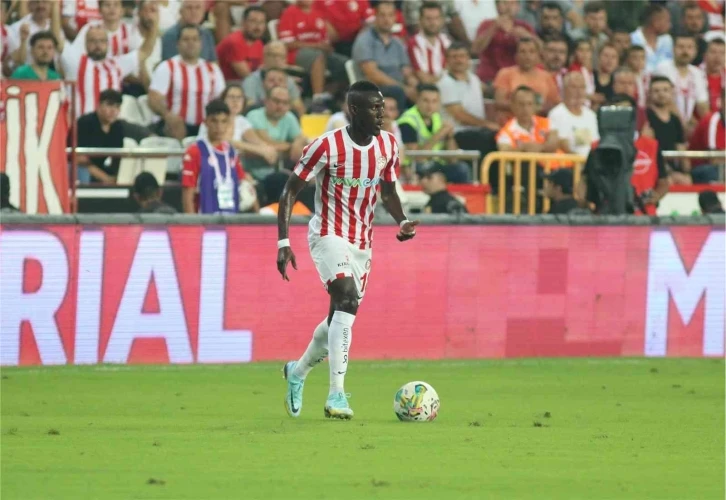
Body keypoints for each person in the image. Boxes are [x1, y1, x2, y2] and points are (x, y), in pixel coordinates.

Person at [276, 80, 416, 420]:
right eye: (374, 108)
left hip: (362, 243)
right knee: (347, 299)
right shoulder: (326, 146)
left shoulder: (388, 145)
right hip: (327, 234)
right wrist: (283, 242)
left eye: (383, 108)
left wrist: (401, 220)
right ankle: (336, 394)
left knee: (337, 319)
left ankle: (297, 371)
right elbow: (290, 191)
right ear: (354, 110)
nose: (381, 114)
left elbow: (387, 191)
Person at [148, 24, 225, 139]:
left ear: (201, 43)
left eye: (195, 39)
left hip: (205, 127)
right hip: (173, 124)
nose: (191, 43)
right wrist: (168, 115)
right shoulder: (167, 67)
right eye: (186, 39)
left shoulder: (212, 69)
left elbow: (221, 99)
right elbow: (154, 98)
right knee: (174, 126)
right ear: (178, 44)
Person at [351, 1, 418, 113]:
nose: (387, 20)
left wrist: (414, 84)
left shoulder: (397, 43)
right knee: (398, 92)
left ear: (395, 18)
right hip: (373, 88)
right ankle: (398, 123)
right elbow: (372, 74)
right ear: (375, 16)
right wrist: (403, 88)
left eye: (390, 15)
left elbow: (406, 70)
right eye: (382, 15)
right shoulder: (365, 40)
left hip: (398, 86)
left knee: (423, 90)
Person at [181, 99, 246, 214]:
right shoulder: (195, 151)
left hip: (231, 217)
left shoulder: (231, 152)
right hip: (205, 218)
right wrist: (192, 223)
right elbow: (187, 195)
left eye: (223, 121)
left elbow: (242, 182)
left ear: (229, 123)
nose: (219, 127)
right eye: (214, 121)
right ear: (206, 122)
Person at [397, 83, 471, 183]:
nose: (430, 106)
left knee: (461, 169)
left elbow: (453, 159)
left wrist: (449, 137)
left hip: (436, 165)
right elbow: (417, 158)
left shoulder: (438, 118)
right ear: (417, 100)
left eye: (434, 101)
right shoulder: (407, 121)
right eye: (426, 101)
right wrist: (440, 133)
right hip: (413, 168)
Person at [197, 84, 278, 167]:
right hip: (209, 162)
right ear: (223, 100)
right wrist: (258, 150)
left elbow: (256, 140)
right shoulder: (212, 120)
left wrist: (268, 149)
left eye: (239, 97)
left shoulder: (241, 121)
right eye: (231, 97)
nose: (235, 101)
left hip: (234, 165)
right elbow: (224, 142)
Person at [472, 0, 537, 84]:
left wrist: (527, 36)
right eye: (504, 3)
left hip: (518, 78)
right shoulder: (486, 25)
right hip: (490, 78)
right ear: (497, 6)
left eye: (512, 3)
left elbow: (541, 52)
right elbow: (475, 50)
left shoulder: (524, 26)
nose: (508, 7)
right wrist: (494, 28)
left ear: (518, 7)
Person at [653, 34, 709, 131]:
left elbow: (702, 104)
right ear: (673, 49)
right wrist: (683, 125)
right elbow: (666, 102)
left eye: (689, 47)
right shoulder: (663, 69)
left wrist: (708, 125)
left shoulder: (697, 73)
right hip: (665, 123)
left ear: (695, 51)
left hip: (686, 125)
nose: (685, 51)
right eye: (681, 47)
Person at [645, 76, 688, 184]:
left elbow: (680, 146)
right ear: (649, 94)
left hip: (674, 168)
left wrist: (687, 171)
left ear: (672, 93)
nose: (661, 94)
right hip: (653, 167)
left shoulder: (675, 119)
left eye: (665, 90)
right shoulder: (646, 117)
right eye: (656, 91)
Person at [548, 71, 599, 157]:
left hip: (590, 161)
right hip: (567, 161)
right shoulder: (556, 114)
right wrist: (580, 160)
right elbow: (561, 144)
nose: (579, 92)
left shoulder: (591, 115)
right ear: (564, 90)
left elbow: (595, 142)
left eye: (582, 87)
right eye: (574, 87)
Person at [215, 5, 266, 81]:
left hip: (245, 83)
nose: (258, 27)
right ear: (243, 22)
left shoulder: (258, 43)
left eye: (261, 22)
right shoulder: (234, 42)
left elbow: (261, 68)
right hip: (228, 84)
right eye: (253, 21)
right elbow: (246, 76)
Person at [406, 2, 451, 84]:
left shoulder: (446, 41)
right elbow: (423, 77)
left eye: (436, 18)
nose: (433, 22)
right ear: (420, 20)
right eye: (428, 19)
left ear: (442, 20)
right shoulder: (414, 43)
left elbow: (453, 68)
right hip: (427, 88)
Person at [630, 4, 674, 73]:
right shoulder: (632, 39)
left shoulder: (667, 40)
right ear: (655, 22)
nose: (670, 25)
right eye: (667, 21)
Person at [701, 39, 725, 111]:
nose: (718, 57)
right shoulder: (695, 74)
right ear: (705, 55)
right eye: (713, 52)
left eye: (722, 53)